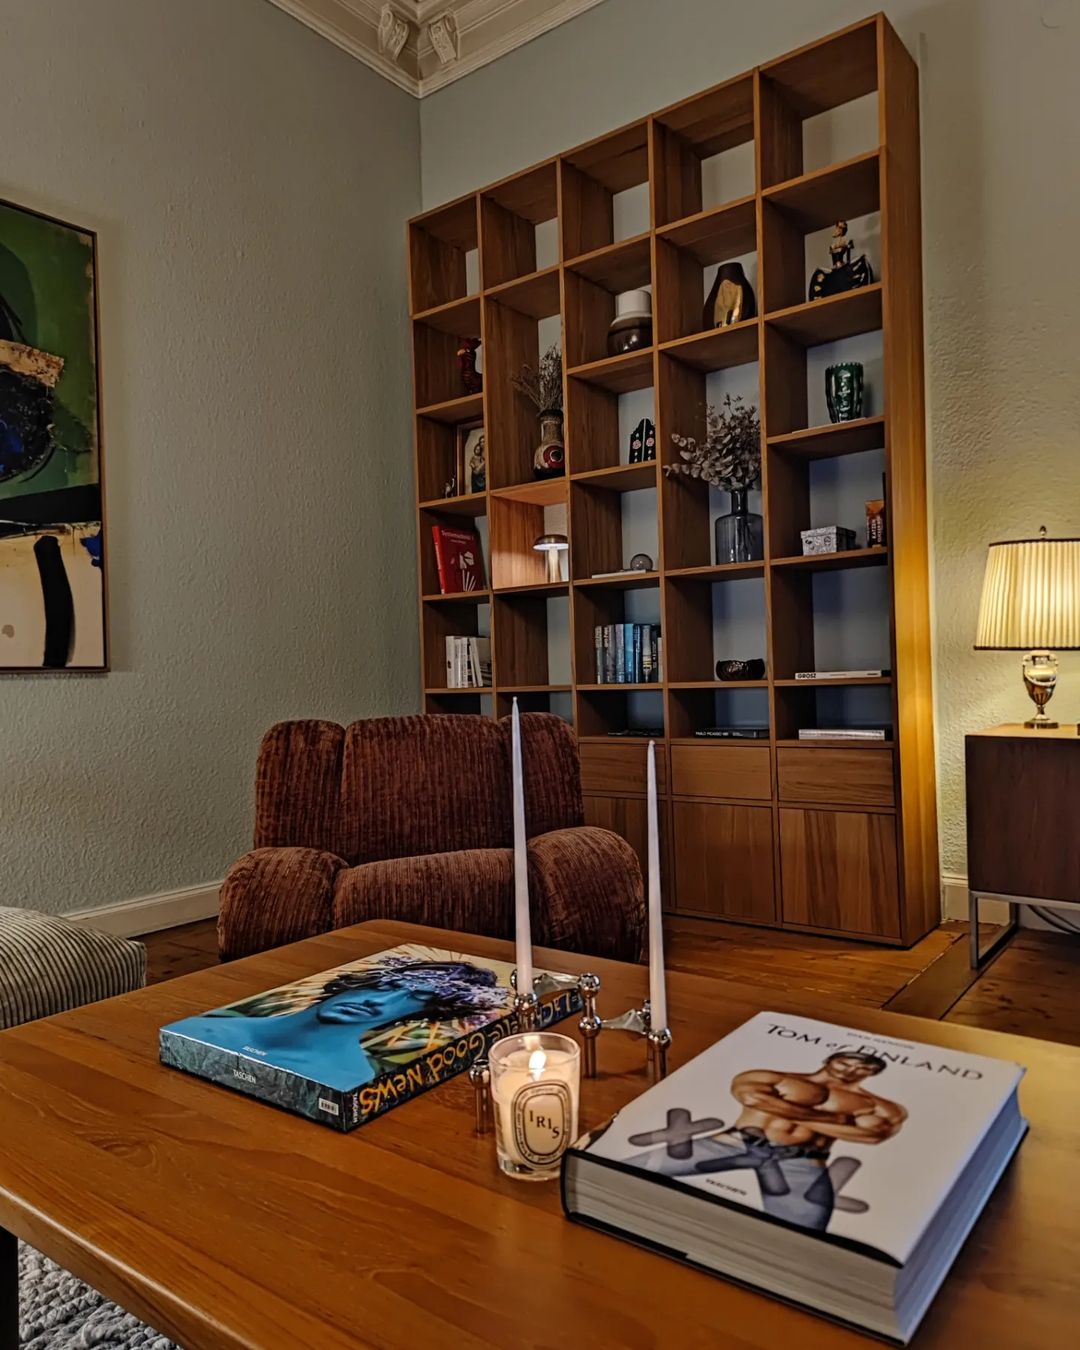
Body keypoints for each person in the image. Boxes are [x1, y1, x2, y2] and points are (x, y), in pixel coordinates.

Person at [627, 1051, 907, 1232]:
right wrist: (840, 1121)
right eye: (845, 1062)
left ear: (871, 1073)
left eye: (862, 1068)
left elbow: (873, 1135)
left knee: (801, 1235)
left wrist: (779, 1107)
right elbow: (753, 1098)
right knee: (623, 1170)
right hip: (736, 1142)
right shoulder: (775, 1076)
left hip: (801, 1160)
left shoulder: (878, 1105)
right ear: (829, 1060)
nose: (850, 1070)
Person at [173, 959, 505, 1088]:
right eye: (385, 987)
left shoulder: (349, 1077)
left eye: (410, 1002)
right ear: (360, 980)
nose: (378, 1002)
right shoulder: (205, 1029)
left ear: (417, 1018)